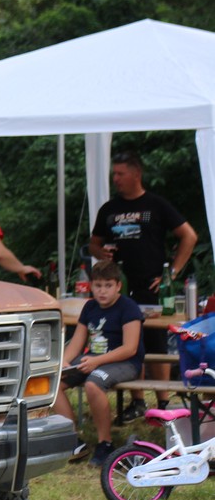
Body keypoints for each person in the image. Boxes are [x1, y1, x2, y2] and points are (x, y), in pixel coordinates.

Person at [88, 150, 198, 420]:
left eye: (120, 173)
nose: (115, 179)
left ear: (136, 174)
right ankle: (137, 401)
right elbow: (94, 242)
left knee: (156, 342)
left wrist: (171, 272)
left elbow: (189, 236)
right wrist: (100, 253)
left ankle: (162, 405)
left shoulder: (156, 204)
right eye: (113, 174)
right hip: (119, 288)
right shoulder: (109, 209)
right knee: (126, 342)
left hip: (152, 285)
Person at [54, 260, 144, 467]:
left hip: (125, 362)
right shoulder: (90, 307)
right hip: (93, 359)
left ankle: (105, 444)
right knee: (53, 381)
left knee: (93, 384)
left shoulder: (129, 308)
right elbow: (77, 341)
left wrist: (97, 361)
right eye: (98, 285)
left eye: (108, 286)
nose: (102, 291)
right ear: (91, 286)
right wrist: (66, 361)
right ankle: (73, 440)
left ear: (118, 286)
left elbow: (130, 348)